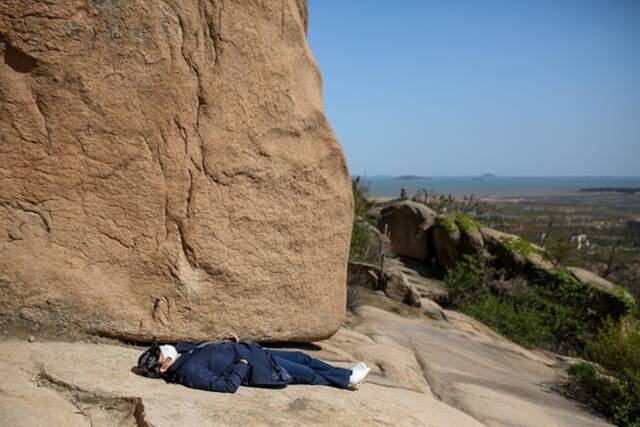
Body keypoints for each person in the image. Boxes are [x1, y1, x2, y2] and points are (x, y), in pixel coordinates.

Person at [136, 334, 371, 393]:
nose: (165, 348)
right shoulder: (188, 371)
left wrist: (227, 343)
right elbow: (226, 386)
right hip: (260, 367)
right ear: (164, 367)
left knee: (303, 357)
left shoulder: (181, 355)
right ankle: (346, 380)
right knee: (308, 374)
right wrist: (243, 362)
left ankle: (345, 375)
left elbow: (195, 348)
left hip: (257, 353)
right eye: (160, 353)